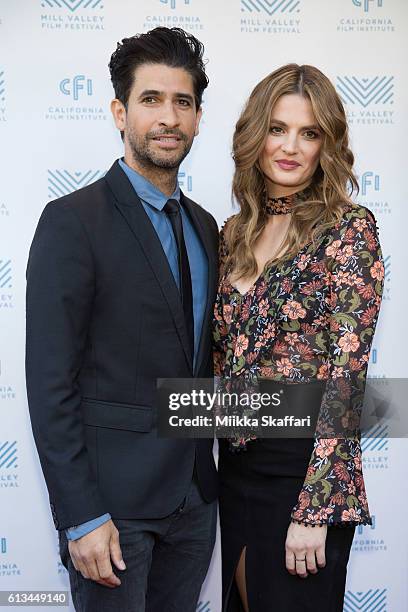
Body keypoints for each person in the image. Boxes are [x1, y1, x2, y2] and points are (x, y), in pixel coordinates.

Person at [26, 27, 218, 612]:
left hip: (194, 503)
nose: (169, 118)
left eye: (182, 102)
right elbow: (50, 382)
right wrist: (81, 516)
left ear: (198, 117)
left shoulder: (207, 227)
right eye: (151, 100)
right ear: (120, 111)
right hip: (112, 513)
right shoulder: (72, 221)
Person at [213, 64, 384, 612]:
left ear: (326, 145)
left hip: (302, 474)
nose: (290, 146)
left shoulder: (348, 229)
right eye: (277, 128)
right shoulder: (230, 235)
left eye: (308, 133)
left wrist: (315, 508)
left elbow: (347, 374)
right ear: (254, 136)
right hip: (232, 476)